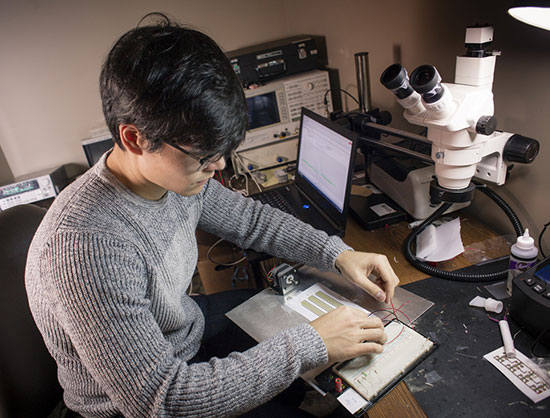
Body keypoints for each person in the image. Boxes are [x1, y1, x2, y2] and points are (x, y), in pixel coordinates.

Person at [26, 13, 399, 418]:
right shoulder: (87, 248)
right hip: (140, 404)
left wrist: (338, 254)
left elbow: (251, 220)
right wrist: (311, 343)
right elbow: (163, 400)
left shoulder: (172, 179)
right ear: (134, 138)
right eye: (204, 156)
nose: (218, 166)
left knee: (302, 313)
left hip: (183, 332)